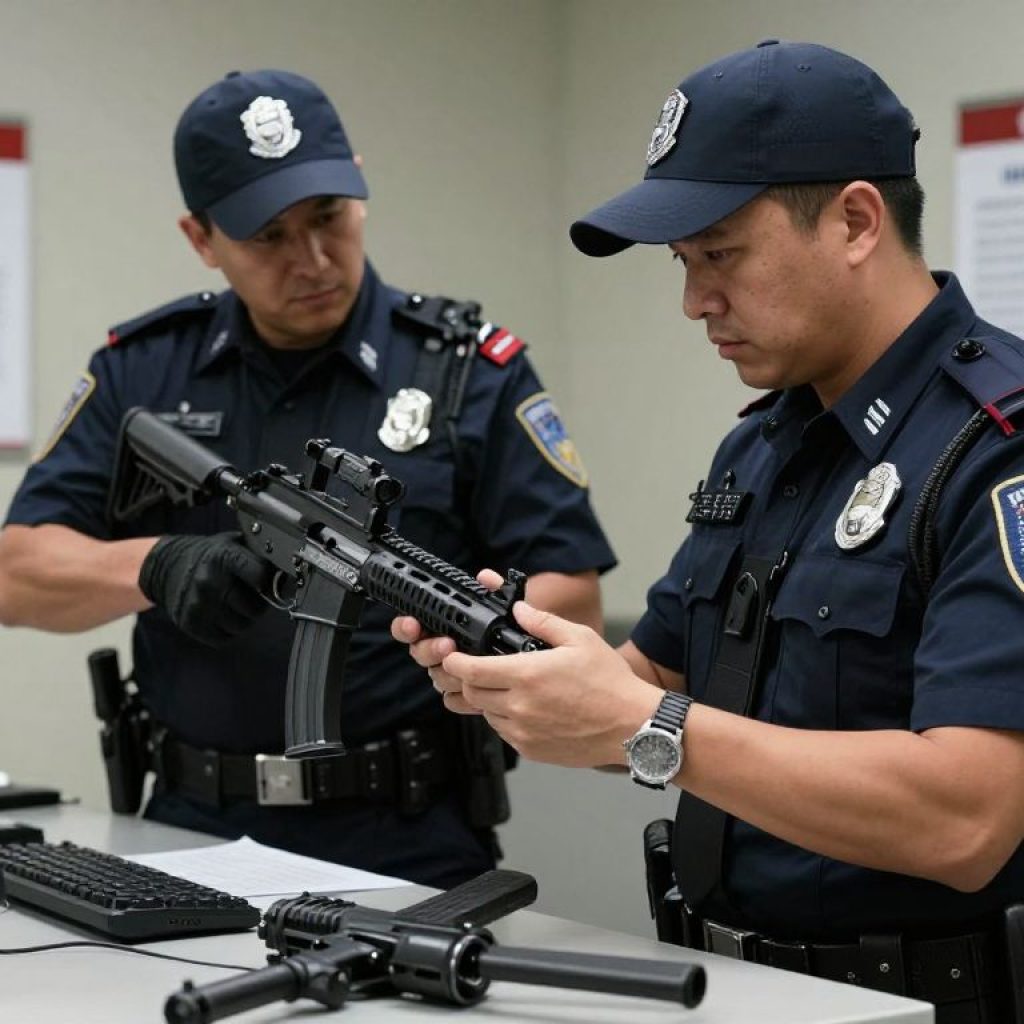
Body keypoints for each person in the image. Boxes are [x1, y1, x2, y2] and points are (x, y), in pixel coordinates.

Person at [393, 40, 1024, 1020]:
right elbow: (655, 691)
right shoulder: (765, 446)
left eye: (720, 254)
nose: (695, 302)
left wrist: (644, 726)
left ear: (856, 221)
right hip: (726, 987)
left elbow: (966, 815)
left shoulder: (994, 451)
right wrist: (522, 673)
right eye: (684, 264)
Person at [0, 69, 616, 889]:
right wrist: (157, 565)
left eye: (329, 217)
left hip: (406, 829)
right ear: (201, 238)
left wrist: (430, 624)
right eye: (269, 236)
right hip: (185, 822)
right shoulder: (144, 369)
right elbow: (17, 572)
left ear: (358, 187)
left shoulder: (468, 371)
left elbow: (573, 597)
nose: (314, 259)